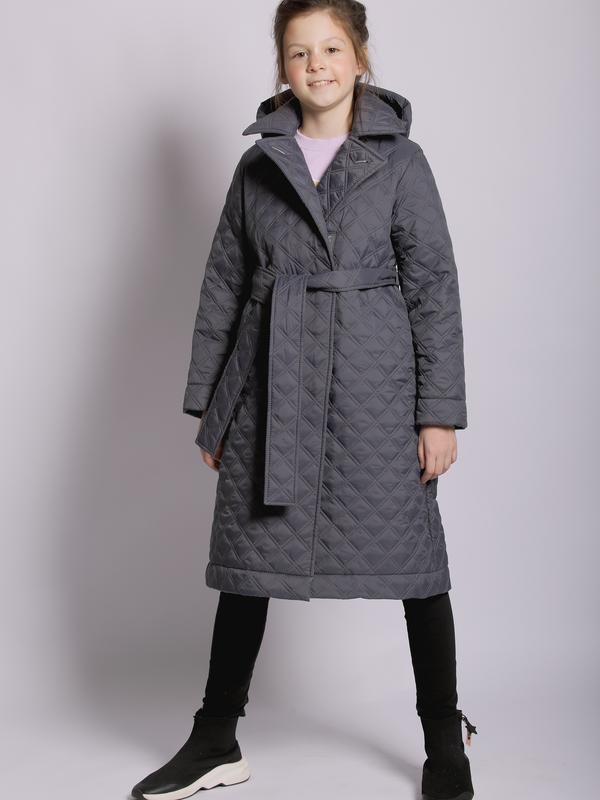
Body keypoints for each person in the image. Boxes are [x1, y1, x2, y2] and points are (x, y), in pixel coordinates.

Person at [131, 2, 478, 799]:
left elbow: (434, 288)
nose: (316, 64)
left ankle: (444, 738)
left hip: (374, 387)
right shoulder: (258, 166)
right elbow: (224, 286)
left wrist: (437, 412)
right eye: (299, 51)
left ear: (360, 56)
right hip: (273, 383)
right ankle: (215, 738)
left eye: (331, 47)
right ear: (282, 66)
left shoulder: (402, 162)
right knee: (247, 563)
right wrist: (212, 405)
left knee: (415, 564)